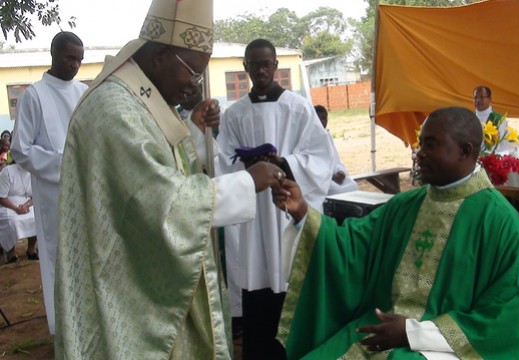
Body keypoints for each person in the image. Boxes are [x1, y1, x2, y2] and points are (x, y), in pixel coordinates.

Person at [54, 1, 286, 359]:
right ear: (161, 55)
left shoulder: (141, 99)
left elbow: (179, 170)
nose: (194, 86)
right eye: (192, 73)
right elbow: (160, 202)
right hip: (122, 293)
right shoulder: (116, 110)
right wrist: (246, 182)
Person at [272, 106, 519, 359]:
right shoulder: (405, 205)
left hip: (448, 348)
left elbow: (507, 317)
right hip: (380, 326)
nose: (419, 152)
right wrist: (303, 213)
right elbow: (351, 246)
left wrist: (413, 333)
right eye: (421, 143)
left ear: (465, 151)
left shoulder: (501, 223)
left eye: (431, 144)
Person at [217, 38, 333, 359]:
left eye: (267, 64)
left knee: (289, 277)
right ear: (245, 68)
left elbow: (321, 157)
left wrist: (284, 164)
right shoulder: (234, 114)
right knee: (257, 283)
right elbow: (222, 161)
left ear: (276, 66)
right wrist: (250, 167)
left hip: (286, 205)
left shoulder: (297, 107)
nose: (261, 70)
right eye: (254, 65)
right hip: (252, 212)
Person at [10, 31, 87, 335]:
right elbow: (20, 149)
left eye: (79, 59)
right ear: (54, 55)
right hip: (53, 192)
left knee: (88, 253)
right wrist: (63, 162)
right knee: (60, 256)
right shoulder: (35, 94)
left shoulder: (83, 91)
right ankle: (65, 328)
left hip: (85, 188)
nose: (75, 65)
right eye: (70, 58)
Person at [314, 105, 359, 195]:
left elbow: (336, 160)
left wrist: (341, 172)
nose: (322, 121)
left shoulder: (327, 136)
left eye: (324, 118)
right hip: (322, 179)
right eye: (319, 119)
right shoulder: (310, 138)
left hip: (335, 175)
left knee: (353, 185)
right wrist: (330, 177)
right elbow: (313, 165)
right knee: (336, 191)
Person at [0, 163, 37, 263]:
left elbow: (37, 195)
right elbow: (1, 197)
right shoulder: (7, 171)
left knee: (37, 218)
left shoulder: (35, 172)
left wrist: (27, 205)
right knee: (12, 221)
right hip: (8, 205)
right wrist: (16, 208)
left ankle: (31, 249)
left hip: (28, 204)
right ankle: (11, 252)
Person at [473, 85, 511, 153]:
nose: (478, 100)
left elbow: (503, 145)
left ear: (490, 99)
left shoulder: (499, 120)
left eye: (482, 97)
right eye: (475, 98)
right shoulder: (469, 118)